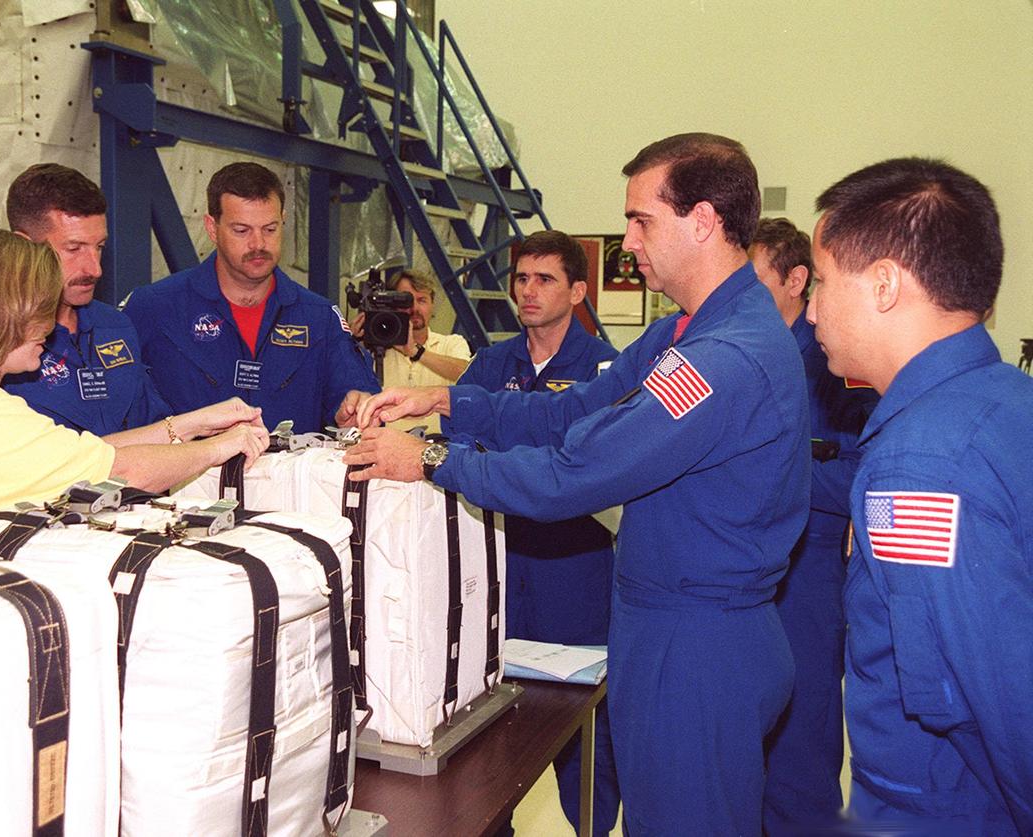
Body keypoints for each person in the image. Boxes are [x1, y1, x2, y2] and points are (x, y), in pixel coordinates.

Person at [343, 133, 810, 835]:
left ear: (704, 220)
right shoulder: (690, 329)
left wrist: (435, 461)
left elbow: (575, 473)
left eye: (641, 220)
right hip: (676, 626)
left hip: (698, 645)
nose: (627, 241)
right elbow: (573, 409)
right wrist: (445, 402)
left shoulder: (723, 357)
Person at [807, 157, 1032, 834]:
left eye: (822, 282)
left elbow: (996, 697)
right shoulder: (1006, 400)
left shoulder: (919, 466)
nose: (813, 308)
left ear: (883, 285)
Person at [0, 226, 269, 529]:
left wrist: (191, 423)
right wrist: (218, 447)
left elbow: (86, 453)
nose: (48, 327)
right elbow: (119, 471)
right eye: (38, 310)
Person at [444, 230, 619, 836]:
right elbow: (457, 446)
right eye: (522, 278)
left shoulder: (604, 370)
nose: (529, 291)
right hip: (495, 568)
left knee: (585, 743)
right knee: (487, 737)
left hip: (575, 572)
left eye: (545, 279)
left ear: (577, 289)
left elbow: (586, 461)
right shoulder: (491, 365)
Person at [750, 217, 877, 833]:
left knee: (799, 761)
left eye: (752, 281)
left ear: (796, 280)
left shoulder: (837, 366)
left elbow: (868, 480)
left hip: (807, 582)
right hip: (735, 582)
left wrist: (773, 467)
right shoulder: (730, 352)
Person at [123, 162, 379, 433]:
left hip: (287, 473)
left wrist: (352, 410)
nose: (258, 244)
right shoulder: (153, 308)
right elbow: (119, 409)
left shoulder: (319, 317)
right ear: (212, 228)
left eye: (270, 229)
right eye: (242, 231)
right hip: (190, 473)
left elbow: (355, 393)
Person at [0, 163, 170, 436]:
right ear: (23, 245)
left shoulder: (115, 326)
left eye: (99, 247)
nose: (95, 269)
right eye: (74, 248)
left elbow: (159, 427)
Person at [350, 268, 471, 433]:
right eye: (406, 300)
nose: (414, 308)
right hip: (386, 443)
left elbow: (468, 372)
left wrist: (416, 352)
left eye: (422, 300)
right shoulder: (374, 347)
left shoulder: (452, 343)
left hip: (439, 446)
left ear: (432, 305)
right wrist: (351, 343)